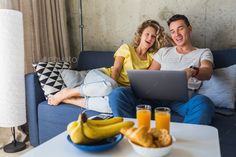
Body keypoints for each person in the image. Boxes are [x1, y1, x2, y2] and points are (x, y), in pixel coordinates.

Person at [109, 14, 215, 125]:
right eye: (173, 31)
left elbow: (207, 72)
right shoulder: (164, 52)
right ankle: (132, 132)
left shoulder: (203, 52)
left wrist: (192, 71)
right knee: (118, 94)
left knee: (204, 103)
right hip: (154, 96)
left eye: (180, 29)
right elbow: (149, 75)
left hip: (183, 99)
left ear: (189, 29)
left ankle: (188, 139)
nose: (177, 34)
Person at [48, 19, 172, 113]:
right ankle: (68, 92)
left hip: (116, 89)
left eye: (153, 36)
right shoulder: (126, 48)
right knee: (111, 86)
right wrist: (114, 87)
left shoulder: (152, 57)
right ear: (140, 35)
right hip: (101, 76)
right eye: (147, 34)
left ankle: (69, 100)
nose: (149, 38)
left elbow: (148, 78)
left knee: (112, 105)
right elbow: (116, 69)